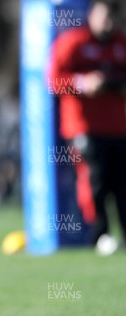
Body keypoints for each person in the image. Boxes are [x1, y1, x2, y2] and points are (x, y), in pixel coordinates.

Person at [48, 0, 126, 253]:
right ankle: (99, 234)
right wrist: (83, 82)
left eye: (112, 17)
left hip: (118, 127)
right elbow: (53, 80)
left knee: (121, 184)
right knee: (95, 180)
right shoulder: (74, 42)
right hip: (83, 127)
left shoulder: (121, 44)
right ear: (91, 15)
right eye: (104, 16)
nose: (108, 22)